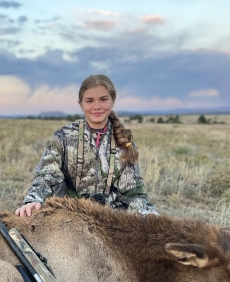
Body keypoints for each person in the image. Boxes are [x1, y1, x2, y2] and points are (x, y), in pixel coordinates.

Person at [15, 74, 158, 217]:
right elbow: (47, 176)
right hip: (68, 217)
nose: (97, 106)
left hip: (110, 220)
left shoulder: (125, 140)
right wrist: (32, 201)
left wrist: (148, 212)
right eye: (89, 101)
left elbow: (133, 192)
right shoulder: (62, 137)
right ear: (81, 104)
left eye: (103, 99)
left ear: (113, 101)